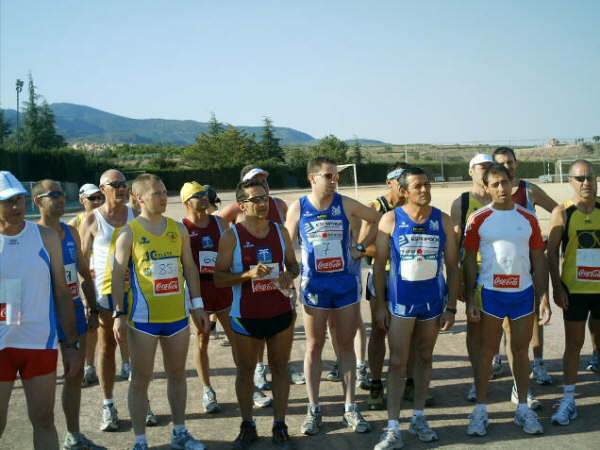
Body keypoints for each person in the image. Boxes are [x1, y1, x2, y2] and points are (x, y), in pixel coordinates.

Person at [112, 174, 210, 450]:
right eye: (157, 193)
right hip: (143, 321)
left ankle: (180, 432)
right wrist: (118, 314)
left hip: (177, 318)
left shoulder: (177, 229)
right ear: (139, 198)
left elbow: (190, 267)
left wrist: (198, 305)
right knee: (141, 380)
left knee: (177, 374)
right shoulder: (129, 232)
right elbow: (118, 274)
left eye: (165, 192)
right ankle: (140, 440)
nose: (164, 197)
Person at [285, 156, 380, 435]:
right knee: (314, 346)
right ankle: (314, 409)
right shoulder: (299, 206)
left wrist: (360, 247)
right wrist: (292, 271)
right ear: (313, 178)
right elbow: (287, 241)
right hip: (315, 288)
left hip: (345, 286)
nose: (334, 180)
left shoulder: (345, 203)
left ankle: (350, 408)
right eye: (329, 176)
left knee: (346, 346)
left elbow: (377, 219)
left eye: (336, 175)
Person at [373, 166, 458, 449]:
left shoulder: (442, 220)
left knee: (424, 357)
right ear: (404, 190)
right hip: (401, 302)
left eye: (427, 184)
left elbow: (453, 266)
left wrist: (452, 307)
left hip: (432, 302)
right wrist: (381, 305)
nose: (424, 190)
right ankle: (393, 426)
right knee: (397, 361)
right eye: (418, 186)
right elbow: (379, 266)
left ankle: (419, 417)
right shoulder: (390, 219)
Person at [464, 163, 551, 437]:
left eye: (505, 182)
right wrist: (470, 297)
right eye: (495, 184)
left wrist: (544, 296)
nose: (501, 188)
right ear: (487, 188)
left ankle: (523, 408)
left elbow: (538, 258)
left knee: (520, 352)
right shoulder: (478, 218)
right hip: (490, 294)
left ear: (513, 182)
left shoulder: (529, 218)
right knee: (486, 353)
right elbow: (468, 260)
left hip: (523, 294)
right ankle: (480, 410)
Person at [214, 179, 299, 449]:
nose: (262, 204)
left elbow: (294, 266)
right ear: (242, 205)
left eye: (265, 198)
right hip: (246, 316)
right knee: (246, 371)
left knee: (280, 369)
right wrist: (247, 274)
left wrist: (288, 275)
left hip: (280, 313)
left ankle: (280, 425)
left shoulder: (279, 231)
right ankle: (248, 424)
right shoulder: (232, 236)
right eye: (255, 200)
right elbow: (218, 278)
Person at [0, 171, 81, 449]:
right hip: (1, 345)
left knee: (44, 419)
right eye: (8, 202)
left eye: (19, 200)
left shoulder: (45, 237)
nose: (16, 207)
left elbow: (62, 292)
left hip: (39, 343)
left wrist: (70, 344)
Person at [34, 179, 103, 450]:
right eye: (54, 195)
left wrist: (95, 306)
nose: (62, 199)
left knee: (74, 373)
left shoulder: (70, 232)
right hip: (43, 315)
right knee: (43, 383)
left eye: (63, 194)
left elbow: (84, 271)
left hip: (73, 309)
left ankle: (73, 436)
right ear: (38, 201)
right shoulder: (31, 234)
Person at [493, 147, 557, 389]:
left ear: (516, 164)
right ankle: (496, 359)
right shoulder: (493, 192)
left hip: (529, 263)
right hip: (501, 265)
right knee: (498, 316)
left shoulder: (529, 190)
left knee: (533, 315)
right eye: (501, 163)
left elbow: (557, 210)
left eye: (510, 162)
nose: (506, 167)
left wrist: (550, 238)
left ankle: (538, 363)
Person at [79, 169, 138, 431]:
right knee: (107, 348)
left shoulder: (135, 214)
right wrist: (87, 299)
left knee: (139, 348)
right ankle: (108, 405)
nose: (121, 188)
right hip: (104, 295)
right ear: (103, 189)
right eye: (115, 184)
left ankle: (141, 402)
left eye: (124, 184)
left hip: (137, 292)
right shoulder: (92, 219)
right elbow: (82, 261)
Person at [546, 160, 600, 425]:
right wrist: (556, 287)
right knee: (574, 346)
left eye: (590, 177)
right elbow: (551, 253)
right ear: (570, 181)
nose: (586, 183)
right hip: (575, 292)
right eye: (580, 179)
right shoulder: (562, 212)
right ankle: (569, 399)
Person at [357, 162, 408, 410]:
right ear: (390, 181)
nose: (404, 183)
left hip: (408, 278)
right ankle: (376, 382)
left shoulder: (414, 207)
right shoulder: (376, 207)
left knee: (411, 331)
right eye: (400, 178)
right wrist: (390, 250)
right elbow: (361, 247)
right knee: (380, 329)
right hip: (382, 277)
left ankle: (408, 380)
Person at [180, 181, 233, 413]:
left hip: (222, 287)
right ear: (186, 203)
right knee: (202, 340)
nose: (203, 197)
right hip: (198, 290)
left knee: (240, 339)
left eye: (204, 193)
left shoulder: (220, 222)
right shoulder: (181, 228)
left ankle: (252, 384)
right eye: (197, 195)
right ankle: (207, 390)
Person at [449, 153, 493, 402]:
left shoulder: (502, 196)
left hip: (502, 274)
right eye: (481, 166)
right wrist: (458, 280)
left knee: (508, 331)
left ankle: (519, 385)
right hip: (473, 274)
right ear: (470, 171)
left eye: (489, 166)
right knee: (475, 330)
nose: (485, 170)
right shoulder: (462, 202)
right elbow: (454, 246)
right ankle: (478, 381)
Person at [68, 183, 104, 388]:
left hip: (106, 281)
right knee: (91, 326)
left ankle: (126, 364)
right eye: (93, 198)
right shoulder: (74, 224)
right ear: (82, 200)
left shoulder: (108, 218)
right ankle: (89, 366)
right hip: (86, 283)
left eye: (100, 197)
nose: (98, 201)